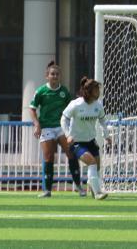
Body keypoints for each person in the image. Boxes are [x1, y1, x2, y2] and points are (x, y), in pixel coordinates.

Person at [28, 60, 82, 197]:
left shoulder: (64, 91)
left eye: (57, 74)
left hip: (61, 127)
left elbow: (71, 109)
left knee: (71, 153)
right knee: (49, 157)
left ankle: (79, 186)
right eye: (52, 74)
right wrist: (37, 124)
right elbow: (32, 108)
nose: (55, 76)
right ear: (47, 76)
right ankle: (47, 190)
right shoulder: (41, 91)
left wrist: (73, 125)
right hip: (46, 127)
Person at [61, 77, 110, 200]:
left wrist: (107, 135)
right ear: (88, 91)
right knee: (91, 162)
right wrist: (68, 135)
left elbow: (103, 121)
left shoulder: (98, 105)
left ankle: (92, 186)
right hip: (77, 142)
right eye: (96, 90)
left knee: (96, 167)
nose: (99, 92)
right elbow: (63, 119)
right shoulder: (76, 104)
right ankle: (98, 193)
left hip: (91, 141)